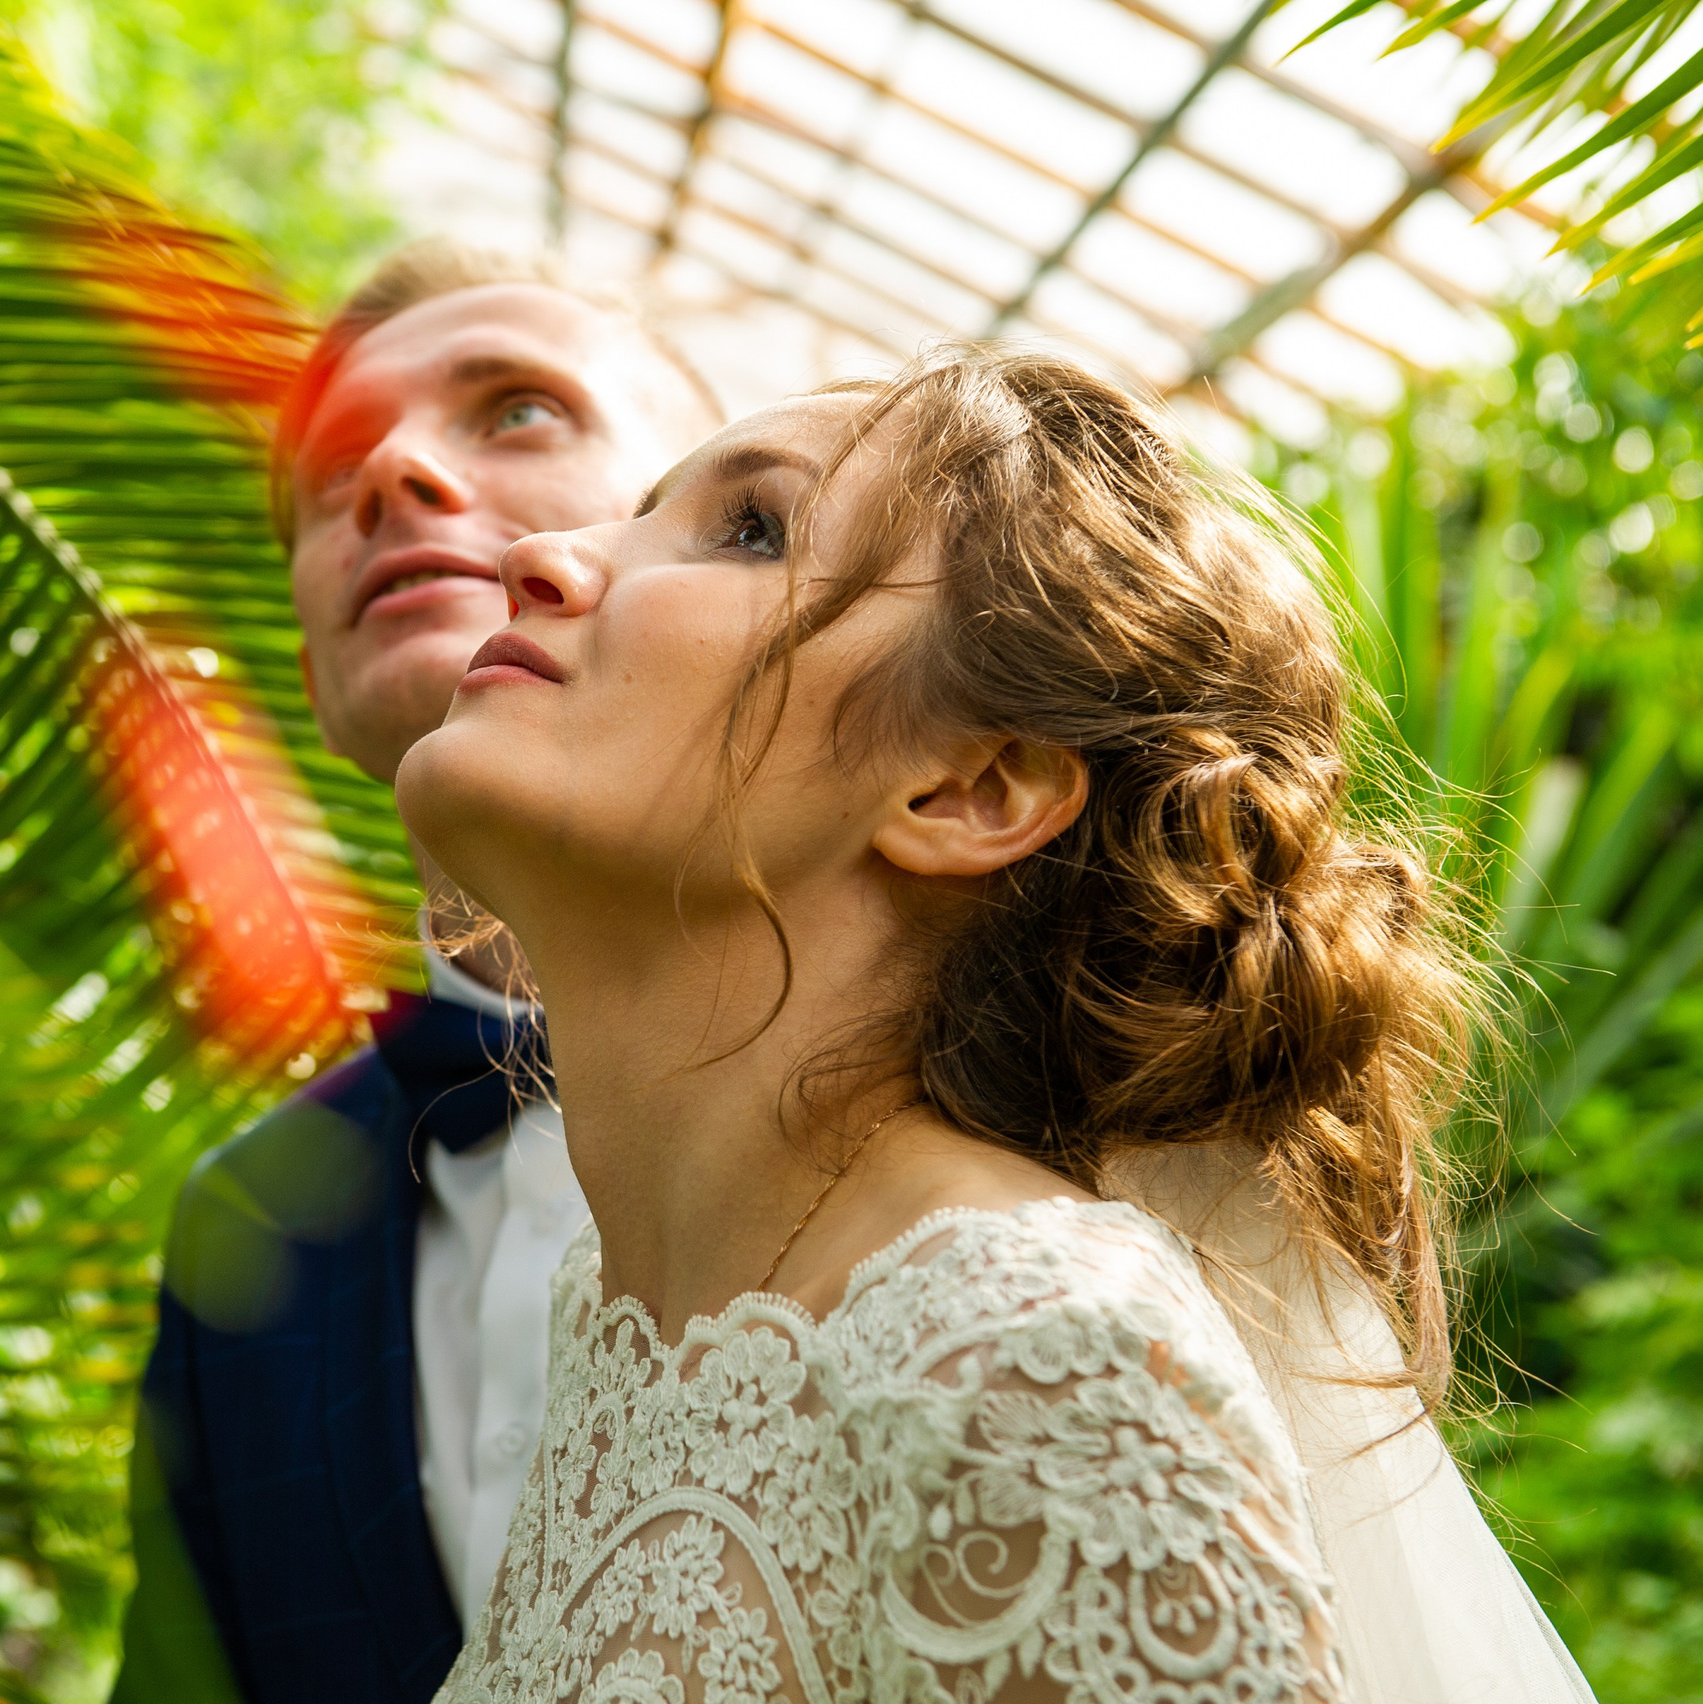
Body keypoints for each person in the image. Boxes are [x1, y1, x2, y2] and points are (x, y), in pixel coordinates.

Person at [397, 346, 1598, 1701]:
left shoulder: (1037, 1365)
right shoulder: (631, 1328)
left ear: (971, 790)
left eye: (750, 531)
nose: (544, 554)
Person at [114, 242, 722, 1704]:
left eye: (516, 409)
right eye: (328, 479)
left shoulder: (1020, 1067)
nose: (387, 473)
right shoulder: (246, 1226)